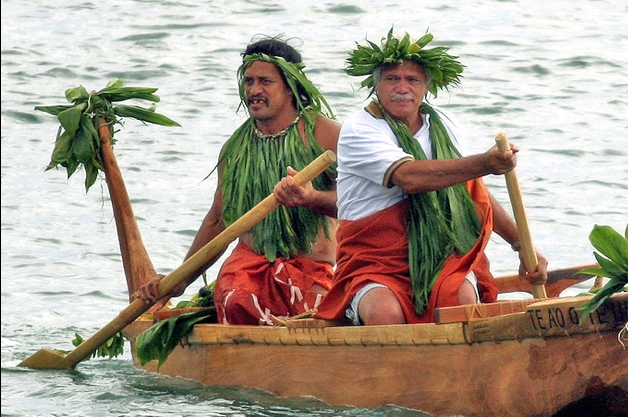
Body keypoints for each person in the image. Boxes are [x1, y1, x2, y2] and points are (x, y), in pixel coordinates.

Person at [324, 28, 548, 326]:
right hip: (375, 258)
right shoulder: (360, 128)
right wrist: (485, 163)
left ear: (426, 87)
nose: (402, 88)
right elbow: (409, 178)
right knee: (385, 314)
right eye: (392, 79)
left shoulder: (444, 125)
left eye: (412, 80)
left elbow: (470, 188)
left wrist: (521, 245)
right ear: (376, 85)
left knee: (461, 303)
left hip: (444, 253)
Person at [137, 36, 341, 325]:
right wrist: (179, 280)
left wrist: (311, 198)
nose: (254, 91)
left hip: (312, 270)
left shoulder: (328, 135)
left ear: (291, 86)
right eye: (249, 81)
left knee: (320, 312)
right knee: (236, 298)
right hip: (249, 271)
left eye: (265, 82)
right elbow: (218, 220)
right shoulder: (235, 149)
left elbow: (361, 205)